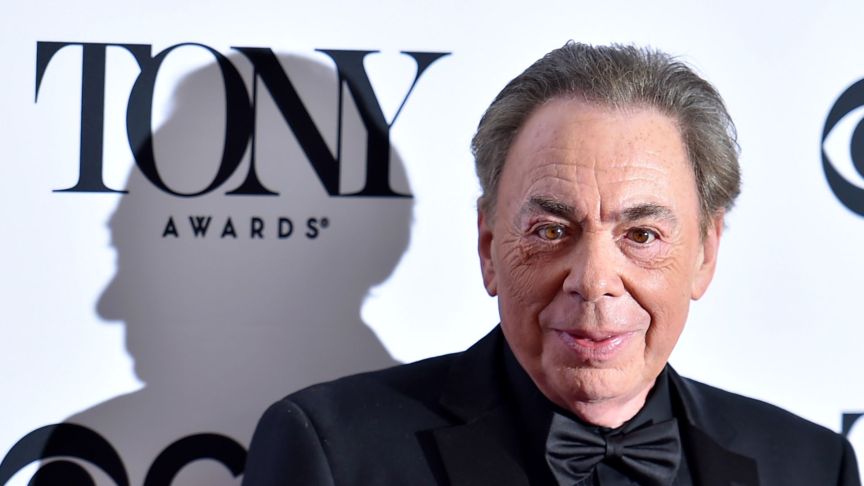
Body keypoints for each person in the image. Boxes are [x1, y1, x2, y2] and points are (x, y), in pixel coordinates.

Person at [242, 42, 861, 485]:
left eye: (642, 234)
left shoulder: (808, 465)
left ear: (705, 253)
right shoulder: (332, 451)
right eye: (550, 229)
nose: (593, 280)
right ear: (488, 246)